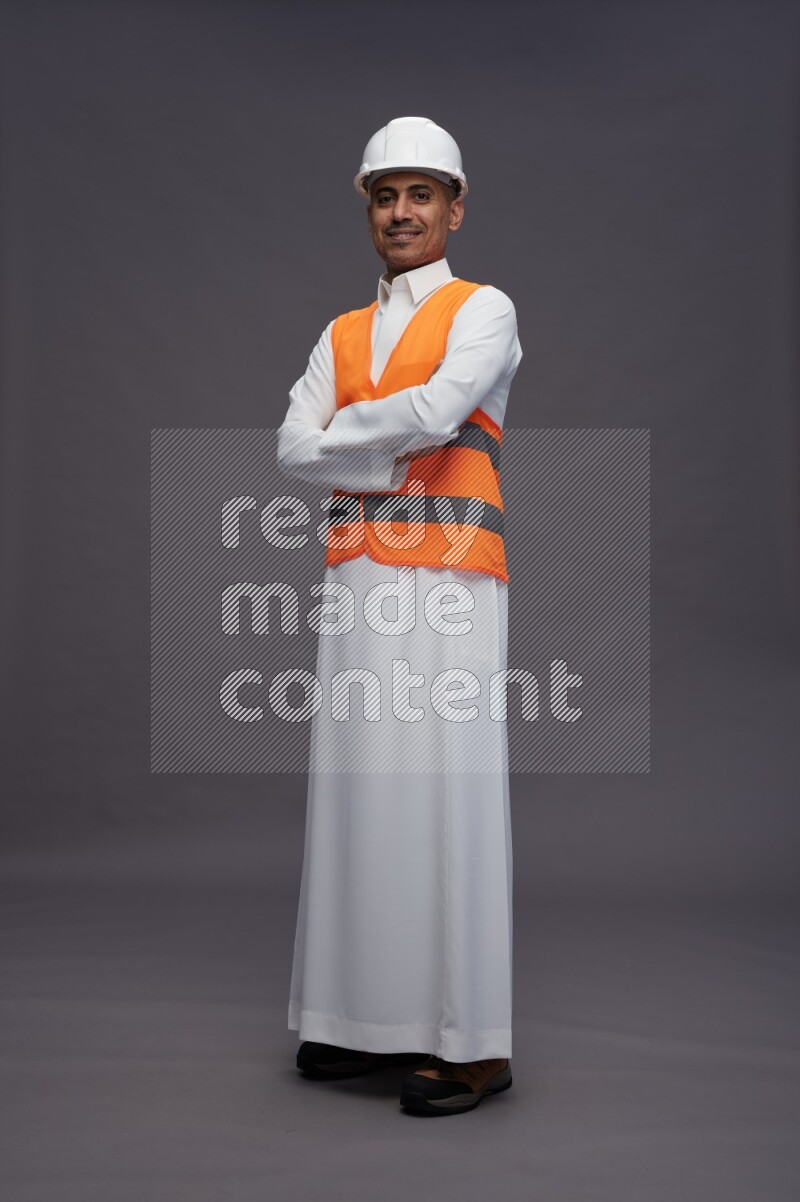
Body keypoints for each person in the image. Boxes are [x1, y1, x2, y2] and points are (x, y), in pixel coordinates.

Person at [276, 116, 522, 1116]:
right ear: (368, 210)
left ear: (454, 208)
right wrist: (376, 441)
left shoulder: (483, 308)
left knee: (450, 790)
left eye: (421, 194)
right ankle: (356, 1019)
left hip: (452, 582)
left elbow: (439, 411)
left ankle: (473, 1044)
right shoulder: (337, 332)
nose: (401, 212)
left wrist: (348, 438)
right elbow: (290, 449)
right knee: (358, 790)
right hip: (357, 583)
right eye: (385, 196)